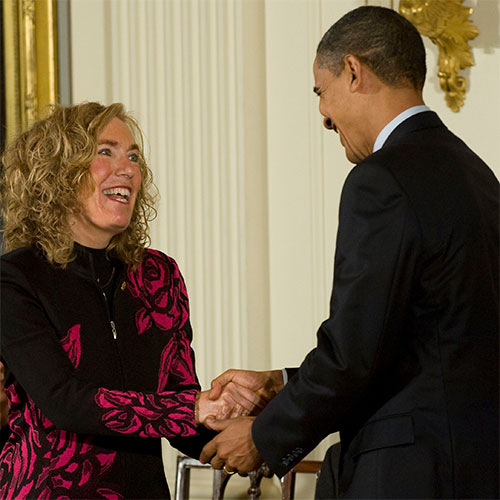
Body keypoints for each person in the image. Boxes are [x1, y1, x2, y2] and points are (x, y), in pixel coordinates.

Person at [199, 6, 499, 499]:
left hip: (409, 477)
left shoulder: (381, 179)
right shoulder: (477, 175)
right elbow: (415, 343)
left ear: (354, 71)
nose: (322, 114)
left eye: (321, 91)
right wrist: (283, 382)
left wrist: (263, 435)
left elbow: (356, 353)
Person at [0, 102, 250, 499]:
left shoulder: (158, 276)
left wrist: (242, 421)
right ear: (57, 172)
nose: (128, 168)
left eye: (134, 156)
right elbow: (64, 401)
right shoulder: (15, 277)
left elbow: (179, 404)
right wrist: (194, 409)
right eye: (105, 152)